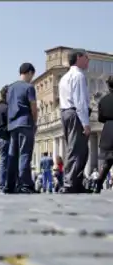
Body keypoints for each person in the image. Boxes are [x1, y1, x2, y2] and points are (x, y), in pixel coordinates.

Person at [58, 49, 92, 193]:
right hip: (75, 113)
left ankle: (76, 182)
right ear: (78, 57)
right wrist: (85, 123)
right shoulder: (78, 76)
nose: (88, 60)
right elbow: (80, 101)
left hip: (66, 113)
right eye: (86, 57)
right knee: (76, 149)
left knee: (79, 149)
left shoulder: (65, 77)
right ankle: (70, 183)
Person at [5, 62, 38, 194]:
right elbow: (33, 107)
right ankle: (25, 184)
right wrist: (35, 122)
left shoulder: (10, 88)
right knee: (25, 153)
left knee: (12, 156)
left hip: (12, 124)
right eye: (32, 75)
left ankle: (10, 185)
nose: (32, 78)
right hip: (25, 122)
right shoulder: (29, 87)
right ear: (29, 72)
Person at [96, 76, 113, 193]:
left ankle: (98, 183)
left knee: (108, 162)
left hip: (108, 130)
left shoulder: (103, 100)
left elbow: (100, 118)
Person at [0, 85, 11, 193]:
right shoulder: (6, 108)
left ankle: (2, 184)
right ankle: (3, 184)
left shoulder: (0, 107)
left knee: (3, 162)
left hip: (0, 138)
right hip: (5, 138)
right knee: (6, 162)